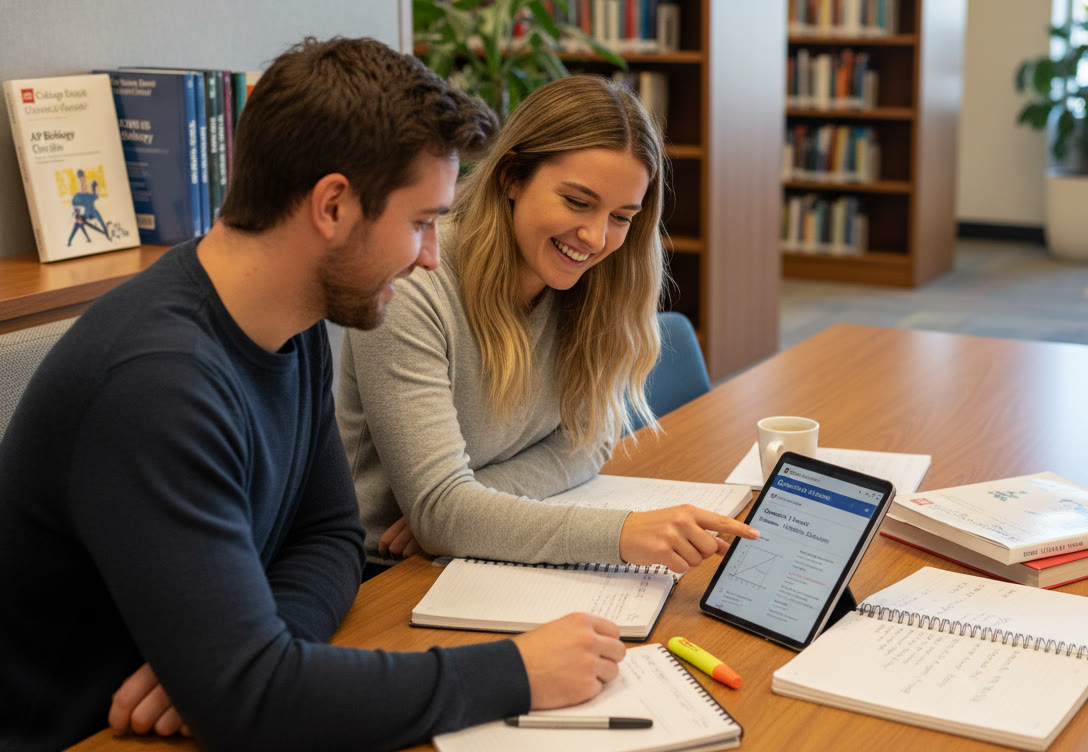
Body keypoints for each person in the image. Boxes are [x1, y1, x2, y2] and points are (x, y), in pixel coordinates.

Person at [0, 37, 628, 752]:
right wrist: (517, 670)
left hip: (187, 714)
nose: (430, 255)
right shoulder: (157, 384)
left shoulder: (288, 322)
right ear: (332, 205)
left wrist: (243, 654)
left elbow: (328, 535)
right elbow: (253, 706)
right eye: (420, 223)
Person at [337, 74, 758, 576]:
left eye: (622, 216)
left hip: (475, 554)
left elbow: (590, 441)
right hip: (386, 575)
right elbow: (440, 516)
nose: (596, 238)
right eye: (578, 202)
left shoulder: (597, 285)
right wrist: (622, 534)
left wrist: (470, 503)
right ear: (512, 176)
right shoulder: (413, 284)